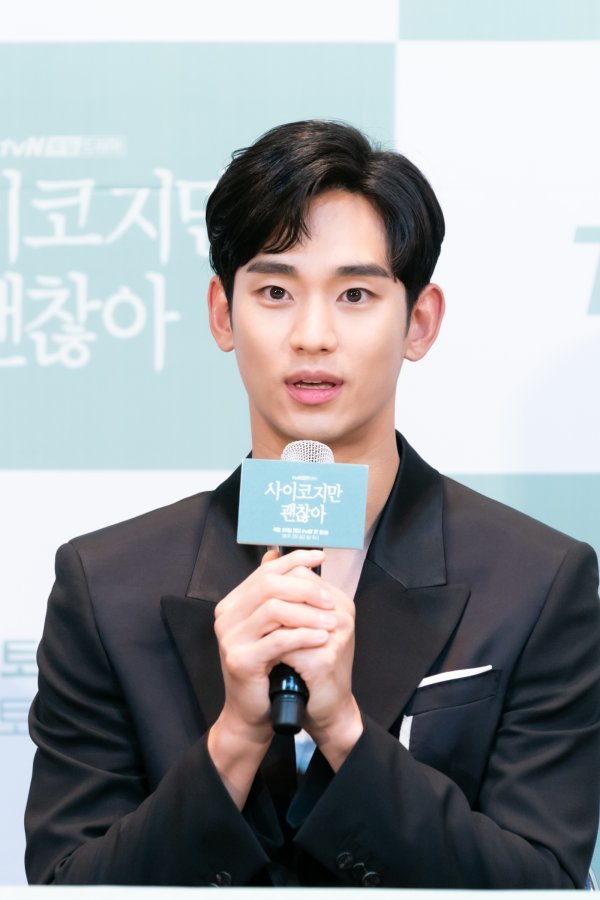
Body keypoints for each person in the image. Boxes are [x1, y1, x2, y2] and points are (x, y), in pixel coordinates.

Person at [25, 120, 600, 888]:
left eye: (356, 294)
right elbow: (66, 886)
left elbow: (543, 885)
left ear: (419, 321)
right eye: (275, 292)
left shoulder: (538, 582)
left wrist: (345, 732)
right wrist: (235, 739)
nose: (313, 335)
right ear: (222, 314)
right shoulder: (104, 585)